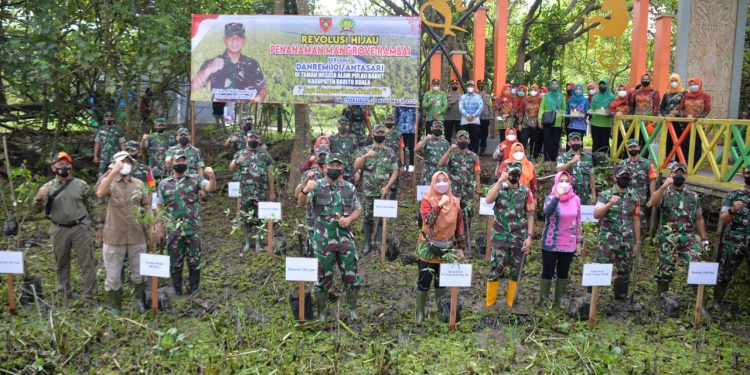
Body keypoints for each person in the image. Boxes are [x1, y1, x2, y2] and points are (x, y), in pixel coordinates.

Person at [298, 155, 363, 321]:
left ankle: (352, 310)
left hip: (345, 239)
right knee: (322, 277)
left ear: (341, 169)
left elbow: (358, 208)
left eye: (338, 165)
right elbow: (301, 203)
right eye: (332, 164)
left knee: (351, 275)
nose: (335, 167)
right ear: (325, 167)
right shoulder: (316, 186)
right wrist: (305, 189)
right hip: (323, 239)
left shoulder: (348, 187)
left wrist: (349, 219)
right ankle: (322, 311)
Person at [34, 152, 100, 303]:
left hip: (79, 227)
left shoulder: (81, 185)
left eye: (67, 164)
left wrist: (98, 228)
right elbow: (35, 210)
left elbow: (92, 207)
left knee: (87, 262)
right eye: (60, 164)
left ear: (71, 166)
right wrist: (39, 197)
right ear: (53, 167)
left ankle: (89, 295)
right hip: (58, 228)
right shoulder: (47, 187)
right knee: (61, 262)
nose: (64, 166)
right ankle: (64, 293)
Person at [154, 150, 217, 295]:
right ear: (172, 163)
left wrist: (212, 177)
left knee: (194, 261)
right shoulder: (164, 184)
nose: (180, 163)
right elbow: (159, 207)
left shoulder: (195, 179)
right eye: (178, 161)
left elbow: (210, 188)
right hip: (173, 231)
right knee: (175, 263)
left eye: (183, 161)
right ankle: (177, 290)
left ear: (187, 163)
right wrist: (159, 227)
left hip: (192, 229)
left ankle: (194, 290)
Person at [95, 151, 150, 313]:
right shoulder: (109, 182)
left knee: (139, 273)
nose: (125, 164)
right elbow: (99, 193)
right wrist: (113, 171)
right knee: (113, 276)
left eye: (127, 161)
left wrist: (151, 227)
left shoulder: (139, 184)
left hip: (137, 236)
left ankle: (139, 302)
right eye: (121, 162)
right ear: (114, 164)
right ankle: (115, 307)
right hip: (114, 237)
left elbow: (146, 205)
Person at [646, 163, 708, 295]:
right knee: (665, 268)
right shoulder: (664, 193)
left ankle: (699, 301)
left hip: (688, 237)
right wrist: (663, 186)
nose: (679, 175)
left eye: (681, 173)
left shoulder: (693, 196)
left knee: (696, 264)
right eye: (675, 173)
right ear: (671, 174)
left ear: (685, 176)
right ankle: (661, 296)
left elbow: (699, 218)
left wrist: (703, 238)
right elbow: (654, 203)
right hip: (668, 237)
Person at [414, 171, 466, 323]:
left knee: (441, 281)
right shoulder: (426, 200)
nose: (442, 183)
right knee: (424, 280)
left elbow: (460, 225)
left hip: (446, 248)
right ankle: (420, 314)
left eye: (445, 180)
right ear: (433, 183)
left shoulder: (455, 202)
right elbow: (428, 221)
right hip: (428, 247)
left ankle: (441, 310)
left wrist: (460, 247)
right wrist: (439, 206)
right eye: (439, 180)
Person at [484, 161, 536, 306]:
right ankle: (490, 303)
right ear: (506, 173)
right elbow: (488, 199)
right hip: (500, 237)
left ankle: (510, 303)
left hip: (519, 237)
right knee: (495, 269)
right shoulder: (499, 188)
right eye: (511, 173)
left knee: (516, 271)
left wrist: (530, 237)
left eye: (516, 174)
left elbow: (530, 214)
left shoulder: (526, 191)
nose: (514, 176)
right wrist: (500, 180)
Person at [593, 166, 641, 301]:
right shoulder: (605, 194)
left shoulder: (633, 196)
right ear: (615, 178)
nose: (624, 179)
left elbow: (636, 220)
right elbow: (596, 214)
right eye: (622, 176)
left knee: (625, 270)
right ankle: (592, 298)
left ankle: (620, 299)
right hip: (608, 240)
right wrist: (609, 204)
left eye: (627, 177)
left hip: (626, 240)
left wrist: (637, 242)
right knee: (601, 267)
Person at [191, 23, 267, 102]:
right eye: (230, 37)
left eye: (239, 37)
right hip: (219, 109)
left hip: (243, 108)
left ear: (244, 41)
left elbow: (262, 87)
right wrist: (209, 69)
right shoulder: (212, 63)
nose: (234, 41)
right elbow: (193, 86)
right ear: (224, 39)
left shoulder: (252, 64)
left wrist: (260, 97)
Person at [353, 125, 399, 254]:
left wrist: (388, 186)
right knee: (368, 217)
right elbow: (356, 165)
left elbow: (395, 171)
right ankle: (367, 243)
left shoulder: (390, 152)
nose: (380, 134)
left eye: (382, 133)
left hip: (383, 191)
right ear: (373, 134)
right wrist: (366, 156)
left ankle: (379, 243)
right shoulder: (365, 150)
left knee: (382, 217)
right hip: (368, 191)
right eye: (377, 132)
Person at [540, 171, 582, 307]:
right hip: (551, 243)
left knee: (563, 273)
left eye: (567, 181)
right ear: (556, 183)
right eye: (561, 180)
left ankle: (559, 301)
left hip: (568, 243)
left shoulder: (576, 199)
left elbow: (578, 222)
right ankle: (544, 301)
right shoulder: (550, 198)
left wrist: (578, 243)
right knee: (548, 271)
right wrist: (557, 196)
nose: (564, 183)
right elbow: (546, 212)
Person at [230, 130, 275, 253]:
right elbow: (231, 169)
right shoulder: (240, 153)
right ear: (246, 139)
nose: (253, 140)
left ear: (259, 140)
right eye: (251, 138)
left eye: (255, 137)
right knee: (246, 219)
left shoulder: (265, 154)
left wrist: (272, 192)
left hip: (262, 192)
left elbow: (271, 174)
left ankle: (258, 244)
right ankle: (248, 242)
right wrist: (236, 162)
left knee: (261, 218)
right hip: (245, 193)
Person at [438, 130, 481, 254]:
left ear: (469, 140)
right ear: (456, 140)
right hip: (453, 193)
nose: (463, 141)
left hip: (467, 193)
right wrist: (449, 151)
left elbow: (477, 174)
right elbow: (441, 164)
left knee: (468, 218)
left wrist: (478, 191)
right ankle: (451, 243)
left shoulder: (473, 156)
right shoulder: (452, 154)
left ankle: (464, 244)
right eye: (460, 138)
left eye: (465, 139)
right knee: (451, 218)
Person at [713, 166, 750, 309]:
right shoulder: (733, 195)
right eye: (748, 173)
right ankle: (716, 302)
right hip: (734, 242)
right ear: (743, 176)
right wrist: (733, 210)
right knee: (724, 272)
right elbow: (723, 219)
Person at [619, 139, 657, 237]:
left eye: (634, 147)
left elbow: (652, 180)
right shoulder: (622, 164)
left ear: (639, 148)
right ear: (627, 149)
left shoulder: (647, 163)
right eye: (630, 147)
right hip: (625, 200)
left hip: (641, 202)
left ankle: (638, 249)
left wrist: (652, 197)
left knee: (641, 227)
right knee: (624, 224)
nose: (633, 149)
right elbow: (617, 182)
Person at [677, 77, 711, 167]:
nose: (692, 86)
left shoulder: (705, 96)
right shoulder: (686, 96)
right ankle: (684, 164)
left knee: (697, 144)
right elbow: (680, 108)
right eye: (691, 85)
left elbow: (707, 109)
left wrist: (696, 117)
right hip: (686, 123)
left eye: (694, 84)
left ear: (699, 84)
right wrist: (686, 115)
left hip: (698, 124)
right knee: (685, 143)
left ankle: (695, 165)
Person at [556, 133, 596, 204]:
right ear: (569, 143)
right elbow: (559, 170)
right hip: (568, 195)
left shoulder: (587, 158)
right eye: (573, 141)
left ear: (581, 142)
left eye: (578, 141)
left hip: (584, 196)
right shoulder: (563, 157)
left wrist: (593, 195)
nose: (576, 142)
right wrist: (571, 162)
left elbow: (591, 176)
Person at [661, 74, 687, 162]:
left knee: (680, 141)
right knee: (669, 141)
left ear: (679, 81)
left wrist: (676, 114)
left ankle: (678, 160)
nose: (674, 83)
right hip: (669, 121)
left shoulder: (684, 93)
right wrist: (666, 116)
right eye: (672, 81)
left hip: (680, 121)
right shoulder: (666, 94)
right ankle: (668, 160)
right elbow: (662, 108)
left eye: (675, 81)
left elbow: (685, 106)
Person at [539, 79, 566, 162]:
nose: (554, 85)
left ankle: (554, 159)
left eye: (556, 84)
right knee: (547, 141)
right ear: (550, 85)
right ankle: (547, 159)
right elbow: (541, 108)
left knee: (555, 141)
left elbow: (564, 109)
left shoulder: (561, 96)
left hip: (557, 122)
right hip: (547, 121)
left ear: (558, 85)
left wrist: (564, 121)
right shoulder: (546, 96)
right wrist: (540, 120)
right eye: (552, 84)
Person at [415, 120, 450, 185]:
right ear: (431, 128)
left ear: (442, 129)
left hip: (441, 171)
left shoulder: (446, 142)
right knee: (426, 192)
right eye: (436, 127)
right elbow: (416, 149)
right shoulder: (426, 139)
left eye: (440, 127)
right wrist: (425, 139)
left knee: (441, 192)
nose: (438, 129)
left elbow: (449, 158)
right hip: (428, 170)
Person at [93, 111, 126, 176]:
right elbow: (97, 143)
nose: (109, 119)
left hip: (115, 156)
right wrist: (95, 156)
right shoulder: (101, 129)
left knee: (115, 174)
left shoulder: (118, 130)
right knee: (102, 175)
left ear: (113, 119)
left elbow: (122, 143)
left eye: (110, 117)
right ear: (104, 119)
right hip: (103, 156)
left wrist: (124, 156)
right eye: (107, 117)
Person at [590, 79, 616, 155]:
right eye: (600, 85)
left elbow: (614, 109)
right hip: (595, 123)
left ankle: (605, 161)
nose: (602, 86)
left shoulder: (611, 97)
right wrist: (590, 111)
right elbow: (592, 108)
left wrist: (610, 113)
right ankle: (595, 160)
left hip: (606, 124)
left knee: (604, 143)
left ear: (607, 86)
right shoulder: (595, 97)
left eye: (604, 84)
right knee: (595, 143)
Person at [329, 117, 358, 183]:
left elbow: (357, 155)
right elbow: (327, 154)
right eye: (341, 125)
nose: (343, 127)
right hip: (335, 171)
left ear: (348, 126)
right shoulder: (331, 139)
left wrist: (357, 171)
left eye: (345, 125)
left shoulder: (352, 140)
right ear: (337, 126)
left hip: (349, 172)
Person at [518, 84, 543, 159]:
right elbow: (521, 111)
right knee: (523, 139)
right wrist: (519, 123)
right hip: (526, 123)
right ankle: (522, 156)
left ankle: (534, 156)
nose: (533, 91)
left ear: (538, 91)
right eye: (531, 90)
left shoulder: (540, 99)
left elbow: (542, 111)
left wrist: (540, 121)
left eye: (535, 90)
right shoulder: (525, 99)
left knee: (536, 140)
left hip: (536, 123)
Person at [458, 80, 483, 154]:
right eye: (469, 86)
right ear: (466, 87)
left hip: (475, 121)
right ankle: (464, 153)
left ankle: (475, 154)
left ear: (474, 87)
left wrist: (474, 115)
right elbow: (460, 107)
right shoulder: (462, 97)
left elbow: (480, 107)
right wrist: (467, 115)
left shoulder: (478, 97)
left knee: (475, 138)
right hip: (465, 121)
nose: (470, 87)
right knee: (464, 138)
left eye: (471, 86)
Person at [384, 115, 405, 199]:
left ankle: (391, 206)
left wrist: (402, 164)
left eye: (391, 120)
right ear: (384, 122)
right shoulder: (380, 133)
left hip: (395, 164)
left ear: (394, 122)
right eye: (387, 120)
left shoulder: (398, 134)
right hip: (383, 163)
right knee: (382, 184)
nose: (389, 122)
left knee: (394, 186)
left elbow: (401, 149)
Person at [477, 79, 494, 154]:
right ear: (477, 86)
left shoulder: (488, 96)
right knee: (476, 133)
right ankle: (476, 147)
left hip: (485, 117)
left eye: (482, 84)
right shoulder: (474, 95)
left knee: (484, 134)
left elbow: (490, 106)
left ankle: (482, 148)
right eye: (479, 84)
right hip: (476, 117)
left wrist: (491, 116)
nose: (481, 86)